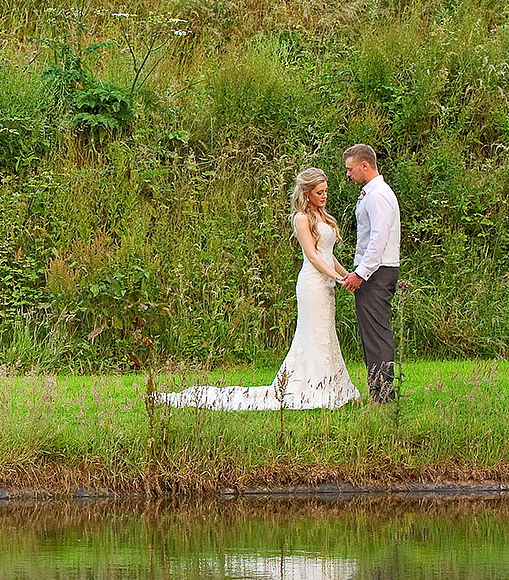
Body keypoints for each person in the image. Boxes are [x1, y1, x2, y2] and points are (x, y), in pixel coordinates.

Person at [158, 168, 361, 410]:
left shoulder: (323, 217)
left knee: (326, 332)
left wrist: (345, 274)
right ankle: (309, 385)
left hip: (326, 284)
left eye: (326, 191)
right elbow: (314, 257)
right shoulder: (302, 218)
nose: (324, 196)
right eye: (319, 192)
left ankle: (330, 382)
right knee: (312, 333)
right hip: (312, 283)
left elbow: (329, 255)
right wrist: (337, 278)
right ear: (306, 193)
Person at [340, 145, 401, 403]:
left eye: (350, 169)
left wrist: (361, 274)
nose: (348, 175)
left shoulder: (378, 195)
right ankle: (379, 391)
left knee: (376, 334)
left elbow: (378, 239)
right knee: (371, 334)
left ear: (365, 165)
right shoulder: (372, 193)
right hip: (374, 271)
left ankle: (383, 395)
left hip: (377, 272)